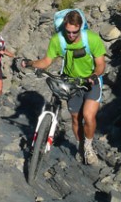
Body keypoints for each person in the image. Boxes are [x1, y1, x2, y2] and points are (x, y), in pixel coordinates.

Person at [20, 10, 107, 165]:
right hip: (70, 82)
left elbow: (101, 64)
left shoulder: (92, 39)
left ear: (81, 27)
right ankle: (80, 146)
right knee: (75, 118)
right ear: (63, 28)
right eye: (68, 32)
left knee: (88, 116)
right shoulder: (58, 40)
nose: (71, 35)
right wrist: (30, 63)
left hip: (91, 82)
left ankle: (88, 147)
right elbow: (47, 61)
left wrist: (93, 76)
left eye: (75, 32)